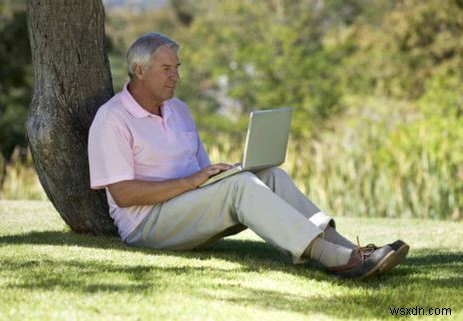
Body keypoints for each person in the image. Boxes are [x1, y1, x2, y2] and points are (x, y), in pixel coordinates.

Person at [88, 32, 409, 279]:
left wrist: (223, 173)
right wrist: (193, 182)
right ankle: (331, 258)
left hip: (189, 209)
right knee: (239, 186)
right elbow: (123, 194)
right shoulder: (112, 118)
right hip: (147, 225)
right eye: (166, 69)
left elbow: (200, 172)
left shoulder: (179, 110)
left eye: (177, 68)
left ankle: (352, 250)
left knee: (267, 175)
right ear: (139, 71)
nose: (175, 76)